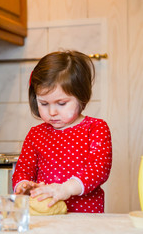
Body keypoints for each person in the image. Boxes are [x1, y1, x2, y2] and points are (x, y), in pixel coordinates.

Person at [12, 50, 112, 213]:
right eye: (44, 104)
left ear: (81, 97)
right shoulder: (36, 134)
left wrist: (66, 189)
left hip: (85, 217)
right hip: (46, 217)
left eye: (61, 103)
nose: (52, 112)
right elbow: (24, 168)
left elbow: (98, 168)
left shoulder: (95, 128)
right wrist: (23, 185)